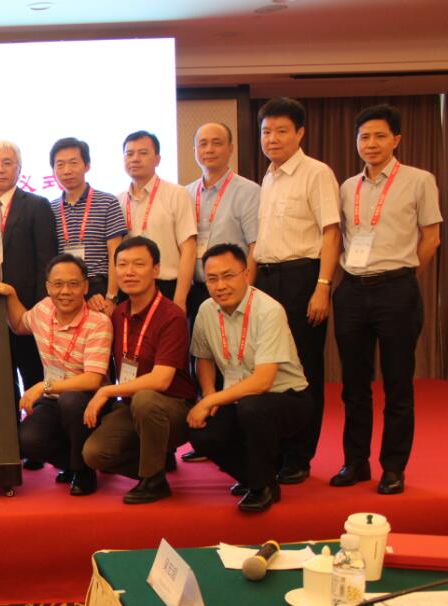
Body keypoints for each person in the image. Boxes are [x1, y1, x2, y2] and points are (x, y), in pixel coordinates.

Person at [331, 104, 442, 495]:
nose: (371, 144)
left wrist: (406, 276)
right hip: (351, 290)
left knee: (397, 385)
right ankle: (355, 462)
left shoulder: (419, 180)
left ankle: (393, 468)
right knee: (353, 386)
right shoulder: (347, 186)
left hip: (397, 289)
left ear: (396, 140)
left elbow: (431, 238)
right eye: (364, 137)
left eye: (380, 136)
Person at [253, 97, 341, 485]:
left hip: (302, 278)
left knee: (303, 369)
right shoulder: (268, 177)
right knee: (270, 367)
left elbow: (331, 233)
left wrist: (322, 287)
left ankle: (300, 455)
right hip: (268, 280)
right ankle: (276, 449)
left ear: (300, 132)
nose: (272, 138)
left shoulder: (316, 173)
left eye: (281, 131)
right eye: (266, 131)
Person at [187, 244, 311, 512]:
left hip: (286, 397)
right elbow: (203, 358)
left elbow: (263, 381)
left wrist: (211, 401)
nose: (220, 286)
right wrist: (209, 394)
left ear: (246, 274)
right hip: (237, 397)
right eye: (212, 279)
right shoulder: (206, 310)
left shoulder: (268, 310)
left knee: (252, 408)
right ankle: (258, 479)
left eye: (228, 276)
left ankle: (259, 487)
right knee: (201, 432)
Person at [0, 254, 112, 495]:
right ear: (48, 287)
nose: (65, 291)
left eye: (73, 284)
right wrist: (11, 295)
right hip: (54, 400)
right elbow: (20, 324)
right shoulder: (44, 309)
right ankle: (73, 462)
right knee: (28, 440)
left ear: (85, 287)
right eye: (58, 284)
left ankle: (84, 471)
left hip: (90, 400)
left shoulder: (98, 323)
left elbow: (93, 379)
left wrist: (42, 386)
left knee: (71, 400)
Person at [81, 237, 197, 504]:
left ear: (156, 270)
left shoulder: (172, 316)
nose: (129, 272)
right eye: (122, 265)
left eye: (138, 264)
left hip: (173, 407)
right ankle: (157, 461)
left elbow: (162, 380)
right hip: (133, 406)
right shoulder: (117, 314)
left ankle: (153, 480)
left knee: (146, 398)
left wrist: (107, 392)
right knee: (94, 454)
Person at [0, 140, 58, 403]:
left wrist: (40, 309)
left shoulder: (37, 205)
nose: (0, 169)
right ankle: (8, 427)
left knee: (33, 375)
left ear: (19, 169)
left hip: (25, 306)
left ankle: (37, 426)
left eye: (7, 163)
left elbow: (46, 261)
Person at [185, 123, 260, 320]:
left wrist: (246, 294)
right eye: (203, 144)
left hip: (233, 290)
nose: (209, 149)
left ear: (231, 148)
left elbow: (255, 246)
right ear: (195, 150)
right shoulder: (185, 193)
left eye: (216, 143)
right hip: (196, 289)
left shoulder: (248, 191)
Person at [118, 131, 197, 310]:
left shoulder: (176, 194)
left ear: (157, 159)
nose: (135, 159)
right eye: (129, 154)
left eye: (143, 153)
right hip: (129, 289)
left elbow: (189, 249)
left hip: (166, 286)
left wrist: (180, 299)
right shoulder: (118, 200)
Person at [48, 137, 125, 313]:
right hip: (64, 290)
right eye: (60, 165)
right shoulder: (50, 208)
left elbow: (115, 253)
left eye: (73, 163)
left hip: (98, 290)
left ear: (87, 165)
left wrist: (111, 296)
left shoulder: (107, 202)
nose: (67, 170)